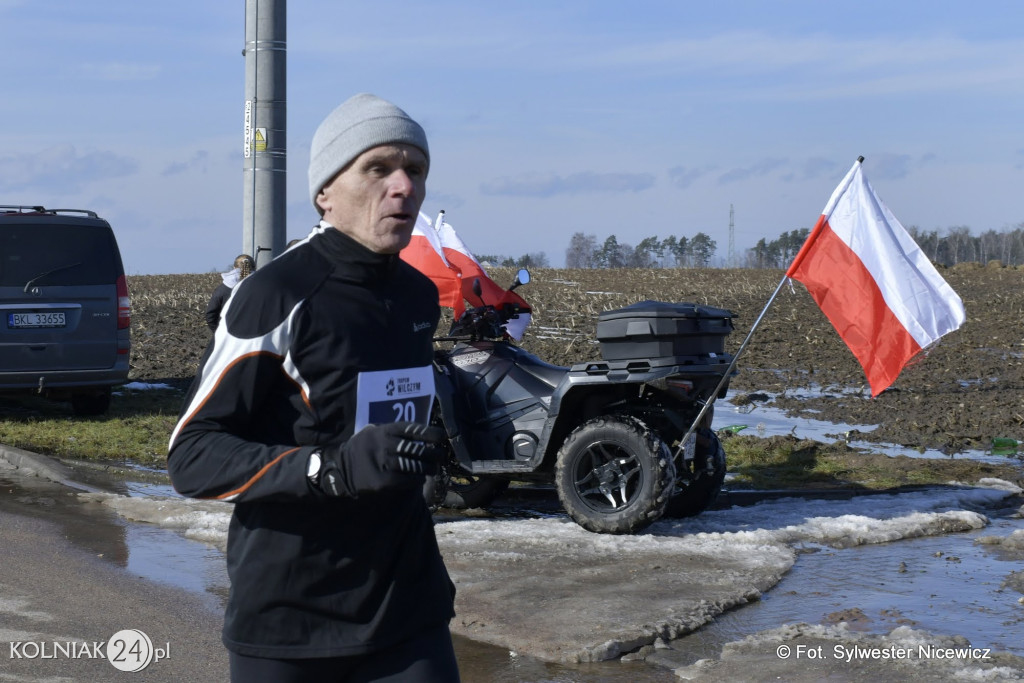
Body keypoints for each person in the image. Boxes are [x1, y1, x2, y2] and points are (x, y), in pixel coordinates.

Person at [168, 93, 460, 682]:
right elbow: (192, 456)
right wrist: (330, 468)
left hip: (406, 606)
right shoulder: (276, 294)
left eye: (416, 170)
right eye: (378, 168)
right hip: (289, 620)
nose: (403, 186)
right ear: (326, 191)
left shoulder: (418, 295)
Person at [204, 254, 255, 331]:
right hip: (253, 334)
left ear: (234, 267)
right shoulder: (262, 287)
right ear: (254, 267)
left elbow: (210, 314)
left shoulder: (222, 289)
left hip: (228, 333)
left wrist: (219, 333)